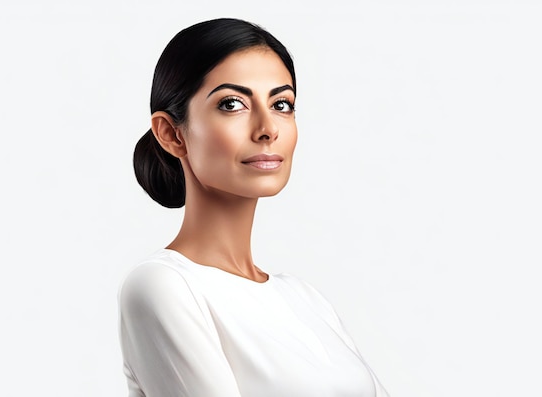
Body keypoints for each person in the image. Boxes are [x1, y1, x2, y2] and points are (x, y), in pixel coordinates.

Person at [118, 18, 390, 397]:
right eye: (232, 104)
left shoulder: (305, 298)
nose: (267, 128)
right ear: (171, 134)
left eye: (282, 104)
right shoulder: (163, 286)